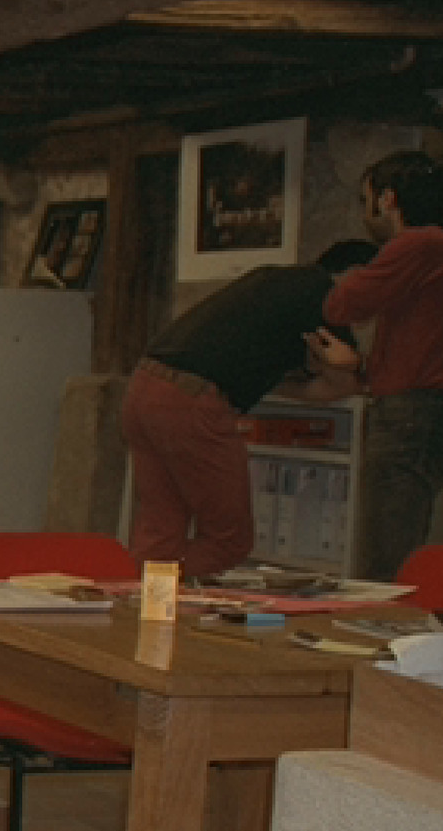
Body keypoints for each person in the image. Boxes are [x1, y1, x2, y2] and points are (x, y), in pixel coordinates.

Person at [122, 239, 379, 579]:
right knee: (228, 540)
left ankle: (146, 599)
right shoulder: (325, 297)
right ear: (356, 275)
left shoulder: (273, 282)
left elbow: (311, 382)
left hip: (146, 385)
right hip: (192, 401)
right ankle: (165, 590)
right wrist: (359, 366)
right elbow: (343, 381)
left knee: (162, 526)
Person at [306, 151, 443, 580]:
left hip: (410, 419)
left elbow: (342, 305)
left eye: (365, 200)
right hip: (425, 415)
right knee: (396, 556)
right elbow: (419, 345)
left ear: (387, 199)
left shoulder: (418, 245)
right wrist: (364, 367)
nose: (365, 213)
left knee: (385, 568)